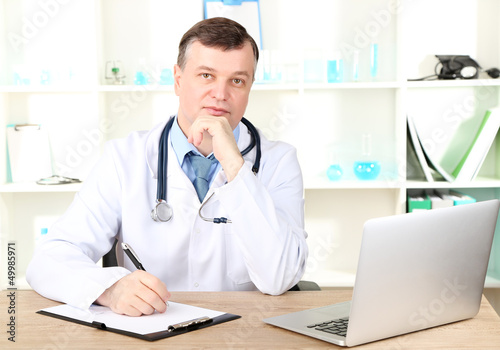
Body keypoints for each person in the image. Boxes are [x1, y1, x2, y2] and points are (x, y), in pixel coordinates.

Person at [27, 17, 308, 317]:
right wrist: (109, 289)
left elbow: (280, 277)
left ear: (250, 86)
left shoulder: (279, 162)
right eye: (206, 76)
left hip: (241, 332)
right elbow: (48, 259)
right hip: (152, 332)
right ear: (177, 79)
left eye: (237, 80)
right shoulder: (125, 159)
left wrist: (235, 166)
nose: (221, 94)